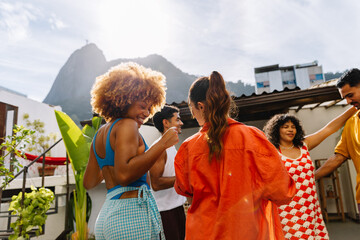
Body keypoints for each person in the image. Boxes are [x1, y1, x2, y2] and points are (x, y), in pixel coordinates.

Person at [174, 71, 296, 240]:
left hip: (204, 232)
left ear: (200, 106)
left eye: (191, 107)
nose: (192, 114)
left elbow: (186, 191)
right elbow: (282, 192)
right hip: (248, 231)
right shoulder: (254, 138)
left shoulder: (188, 147)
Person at [83, 62, 179, 240]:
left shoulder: (99, 135)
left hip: (107, 216)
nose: (146, 112)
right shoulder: (128, 125)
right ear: (124, 99)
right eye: (142, 106)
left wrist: (112, 165)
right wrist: (162, 144)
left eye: (149, 108)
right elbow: (124, 175)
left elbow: (88, 182)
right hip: (130, 216)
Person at [263, 106, 356, 240]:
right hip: (287, 210)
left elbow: (329, 128)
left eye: (293, 127)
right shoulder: (272, 151)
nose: (290, 130)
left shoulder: (304, 145)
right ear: (276, 129)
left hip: (310, 206)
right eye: (285, 127)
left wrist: (353, 108)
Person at [315, 68, 360, 213]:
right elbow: (338, 158)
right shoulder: (351, 124)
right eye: (344, 98)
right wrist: (309, 178)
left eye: (350, 95)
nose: (347, 101)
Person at [149, 105, 187, 240]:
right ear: (166, 123)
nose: (181, 123)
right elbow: (156, 184)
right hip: (165, 213)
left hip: (176, 209)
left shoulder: (171, 147)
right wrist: (184, 178)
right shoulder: (159, 148)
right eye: (177, 120)